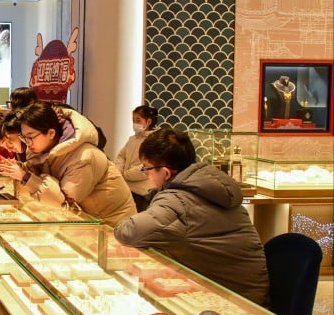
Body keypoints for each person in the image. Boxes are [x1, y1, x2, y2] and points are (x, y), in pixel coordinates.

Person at [114, 128, 269, 305]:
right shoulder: (207, 185)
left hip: (236, 303)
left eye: (146, 169)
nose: (145, 174)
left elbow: (128, 232)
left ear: (165, 172)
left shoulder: (177, 200)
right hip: (245, 291)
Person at [0, 102, 135, 224]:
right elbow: (36, 172)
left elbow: (63, 204)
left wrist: (25, 177)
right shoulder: (39, 149)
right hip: (89, 224)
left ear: (51, 133)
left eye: (30, 137)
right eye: (23, 137)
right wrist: (19, 169)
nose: (27, 143)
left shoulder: (83, 158)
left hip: (112, 227)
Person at [115, 105, 160, 211]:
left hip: (142, 191)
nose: (135, 123)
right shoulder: (132, 139)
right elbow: (121, 156)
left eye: (138, 120)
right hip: (127, 188)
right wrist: (118, 171)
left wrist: (125, 175)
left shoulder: (154, 141)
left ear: (148, 122)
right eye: (133, 120)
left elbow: (148, 165)